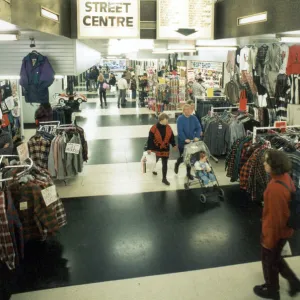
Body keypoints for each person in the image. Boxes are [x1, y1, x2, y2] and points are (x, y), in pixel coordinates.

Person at [253, 150, 300, 300]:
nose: (264, 163)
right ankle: (294, 283)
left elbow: (275, 219)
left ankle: (273, 291)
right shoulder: (284, 177)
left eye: (267, 161)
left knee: (269, 261)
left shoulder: (275, 188)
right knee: (276, 258)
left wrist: (268, 240)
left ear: (275, 165)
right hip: (285, 230)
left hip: (275, 232)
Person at [147, 113, 176, 186]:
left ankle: (164, 178)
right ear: (161, 120)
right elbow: (150, 139)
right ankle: (153, 169)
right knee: (155, 161)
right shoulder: (154, 128)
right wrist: (149, 148)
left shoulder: (168, 127)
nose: (167, 121)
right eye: (166, 120)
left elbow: (171, 137)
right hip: (156, 149)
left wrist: (173, 144)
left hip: (165, 149)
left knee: (165, 163)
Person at [174, 104, 202, 180]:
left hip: (192, 141)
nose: (188, 111)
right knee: (183, 157)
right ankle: (177, 164)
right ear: (183, 111)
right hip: (182, 142)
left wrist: (197, 136)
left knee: (189, 158)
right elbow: (180, 131)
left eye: (189, 109)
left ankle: (188, 173)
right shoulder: (180, 119)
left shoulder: (194, 118)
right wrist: (184, 139)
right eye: (186, 109)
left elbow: (199, 127)